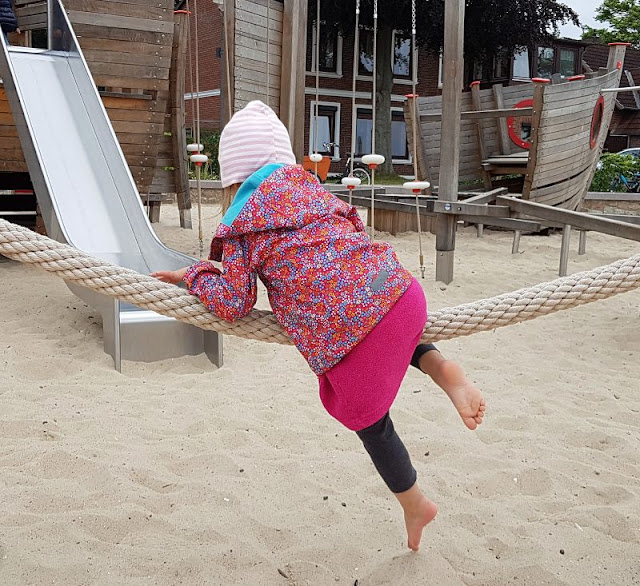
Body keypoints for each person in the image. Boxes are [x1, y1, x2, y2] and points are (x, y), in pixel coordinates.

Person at [152, 100, 485, 551]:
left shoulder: (242, 223)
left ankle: (414, 503)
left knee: (363, 415)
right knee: (378, 318)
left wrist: (194, 275)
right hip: (402, 294)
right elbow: (355, 230)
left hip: (356, 326)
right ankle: (441, 367)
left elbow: (232, 302)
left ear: (232, 180)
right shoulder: (317, 192)